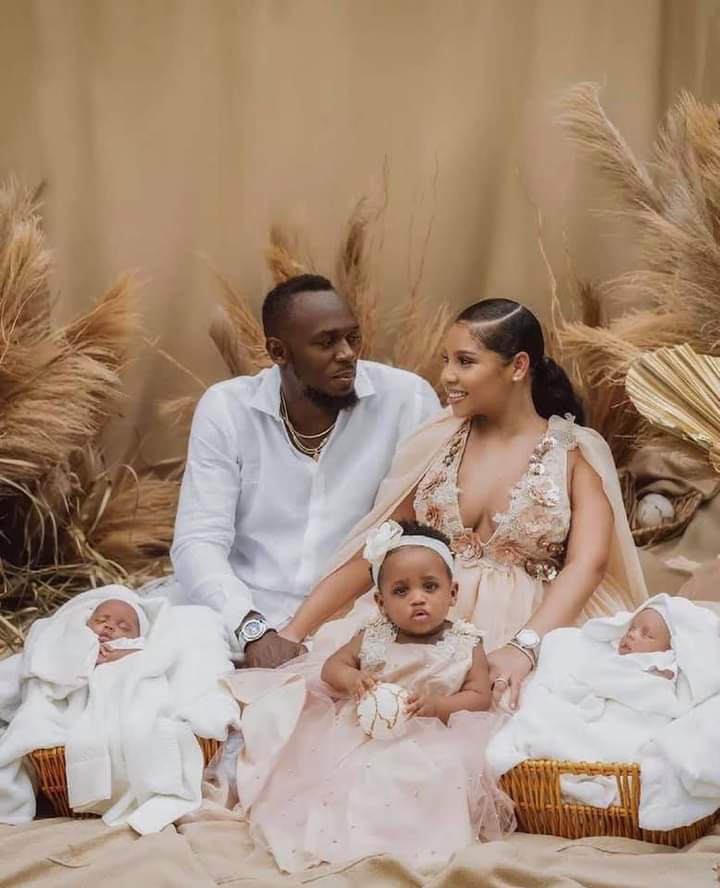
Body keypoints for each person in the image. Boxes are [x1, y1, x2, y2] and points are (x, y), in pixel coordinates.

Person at [280, 298, 647, 705]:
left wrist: (524, 648)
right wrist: (294, 630)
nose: (447, 376)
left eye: (465, 362)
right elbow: (381, 548)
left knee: (523, 715)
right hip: (426, 619)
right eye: (446, 360)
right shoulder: (439, 439)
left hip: (535, 624)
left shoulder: (572, 450)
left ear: (518, 366)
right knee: (353, 706)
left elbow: (588, 563)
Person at [171, 274, 440, 668]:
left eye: (353, 338)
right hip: (240, 609)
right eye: (326, 342)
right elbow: (198, 540)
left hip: (361, 615)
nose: (347, 354)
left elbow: (422, 530)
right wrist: (249, 627)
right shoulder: (227, 408)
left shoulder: (407, 400)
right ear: (279, 352)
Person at [220, 520, 514, 873]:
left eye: (430, 586)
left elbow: (479, 696)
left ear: (452, 593)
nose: (417, 598)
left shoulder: (466, 642)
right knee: (349, 773)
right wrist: (352, 678)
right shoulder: (374, 635)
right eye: (401, 591)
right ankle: (349, 841)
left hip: (432, 731)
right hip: (366, 731)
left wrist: (439, 706)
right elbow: (332, 667)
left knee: (433, 774)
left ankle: (412, 844)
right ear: (381, 602)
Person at [86, 599, 147, 665]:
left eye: (123, 627)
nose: (110, 626)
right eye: (102, 620)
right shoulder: (83, 636)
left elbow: (146, 655)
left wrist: (112, 655)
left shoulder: (134, 644)